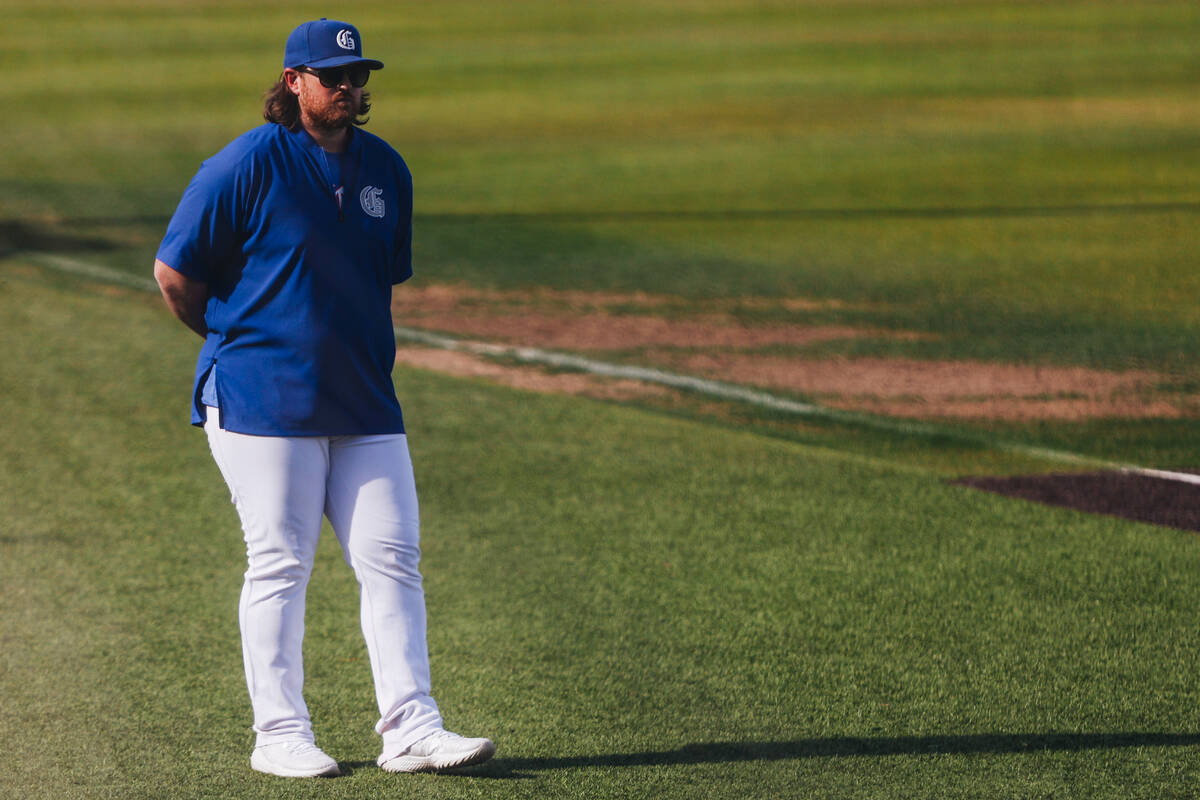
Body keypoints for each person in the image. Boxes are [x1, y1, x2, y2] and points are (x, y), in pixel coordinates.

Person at [152, 18, 494, 779]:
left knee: (394, 560)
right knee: (280, 563)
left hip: (367, 402)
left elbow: (376, 279)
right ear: (293, 83)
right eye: (330, 76)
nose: (347, 88)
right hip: (262, 405)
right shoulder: (244, 163)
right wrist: (236, 341)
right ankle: (279, 735)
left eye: (357, 76)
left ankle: (410, 729)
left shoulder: (386, 170)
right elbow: (175, 275)